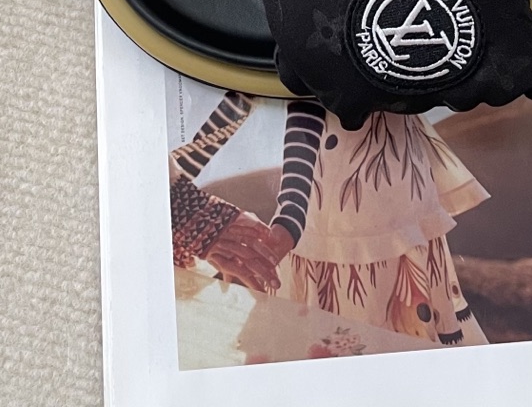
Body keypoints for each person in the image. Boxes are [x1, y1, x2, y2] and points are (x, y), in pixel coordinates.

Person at [170, 91, 488, 345]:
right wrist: (176, 193)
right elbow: (255, 84)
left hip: (366, 188)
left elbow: (302, 89)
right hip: (356, 186)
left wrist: (291, 214)